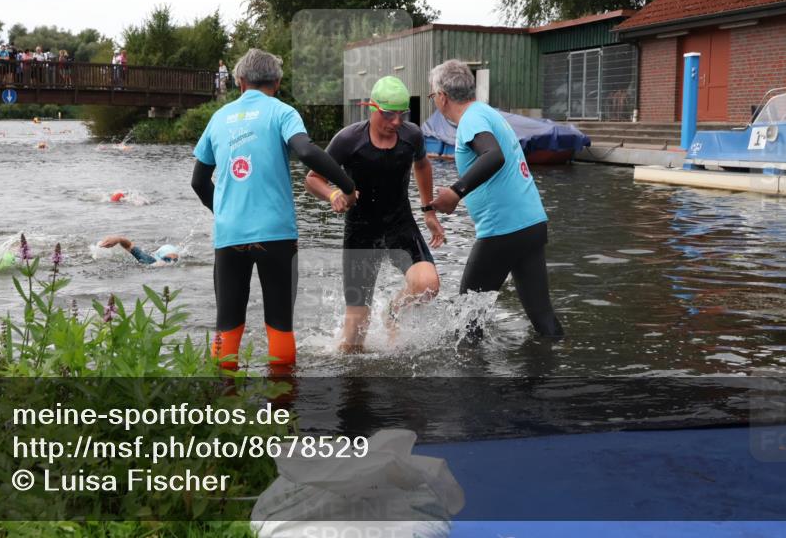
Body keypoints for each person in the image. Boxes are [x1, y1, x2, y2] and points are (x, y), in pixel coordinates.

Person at [191, 48, 357, 371]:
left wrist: (226, 212)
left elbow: (199, 181)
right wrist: (346, 186)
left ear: (240, 82)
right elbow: (306, 151)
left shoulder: (218, 118)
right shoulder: (282, 112)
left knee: (227, 325)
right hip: (277, 236)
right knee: (280, 324)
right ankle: (281, 409)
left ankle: (224, 408)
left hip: (230, 236)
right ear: (277, 83)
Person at [305, 76, 445, 353]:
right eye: (388, 114)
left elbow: (422, 166)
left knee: (428, 285)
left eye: (401, 115)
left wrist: (429, 210)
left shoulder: (411, 136)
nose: (395, 122)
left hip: (399, 223)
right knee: (355, 338)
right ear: (371, 107)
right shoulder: (348, 140)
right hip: (361, 231)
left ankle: (392, 310)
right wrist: (333, 195)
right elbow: (312, 178)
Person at [427, 60, 564, 340]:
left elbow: (493, 156)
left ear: (442, 96)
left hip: (503, 230)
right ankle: (558, 373)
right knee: (541, 315)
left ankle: (473, 383)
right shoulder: (486, 113)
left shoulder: (471, 120)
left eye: (432, 95)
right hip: (531, 225)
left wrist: (455, 193)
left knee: (467, 320)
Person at [98, 236, 180, 267]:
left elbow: (129, 246)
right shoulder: (148, 260)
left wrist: (118, 239)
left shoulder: (149, 262)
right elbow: (129, 245)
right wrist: (117, 239)